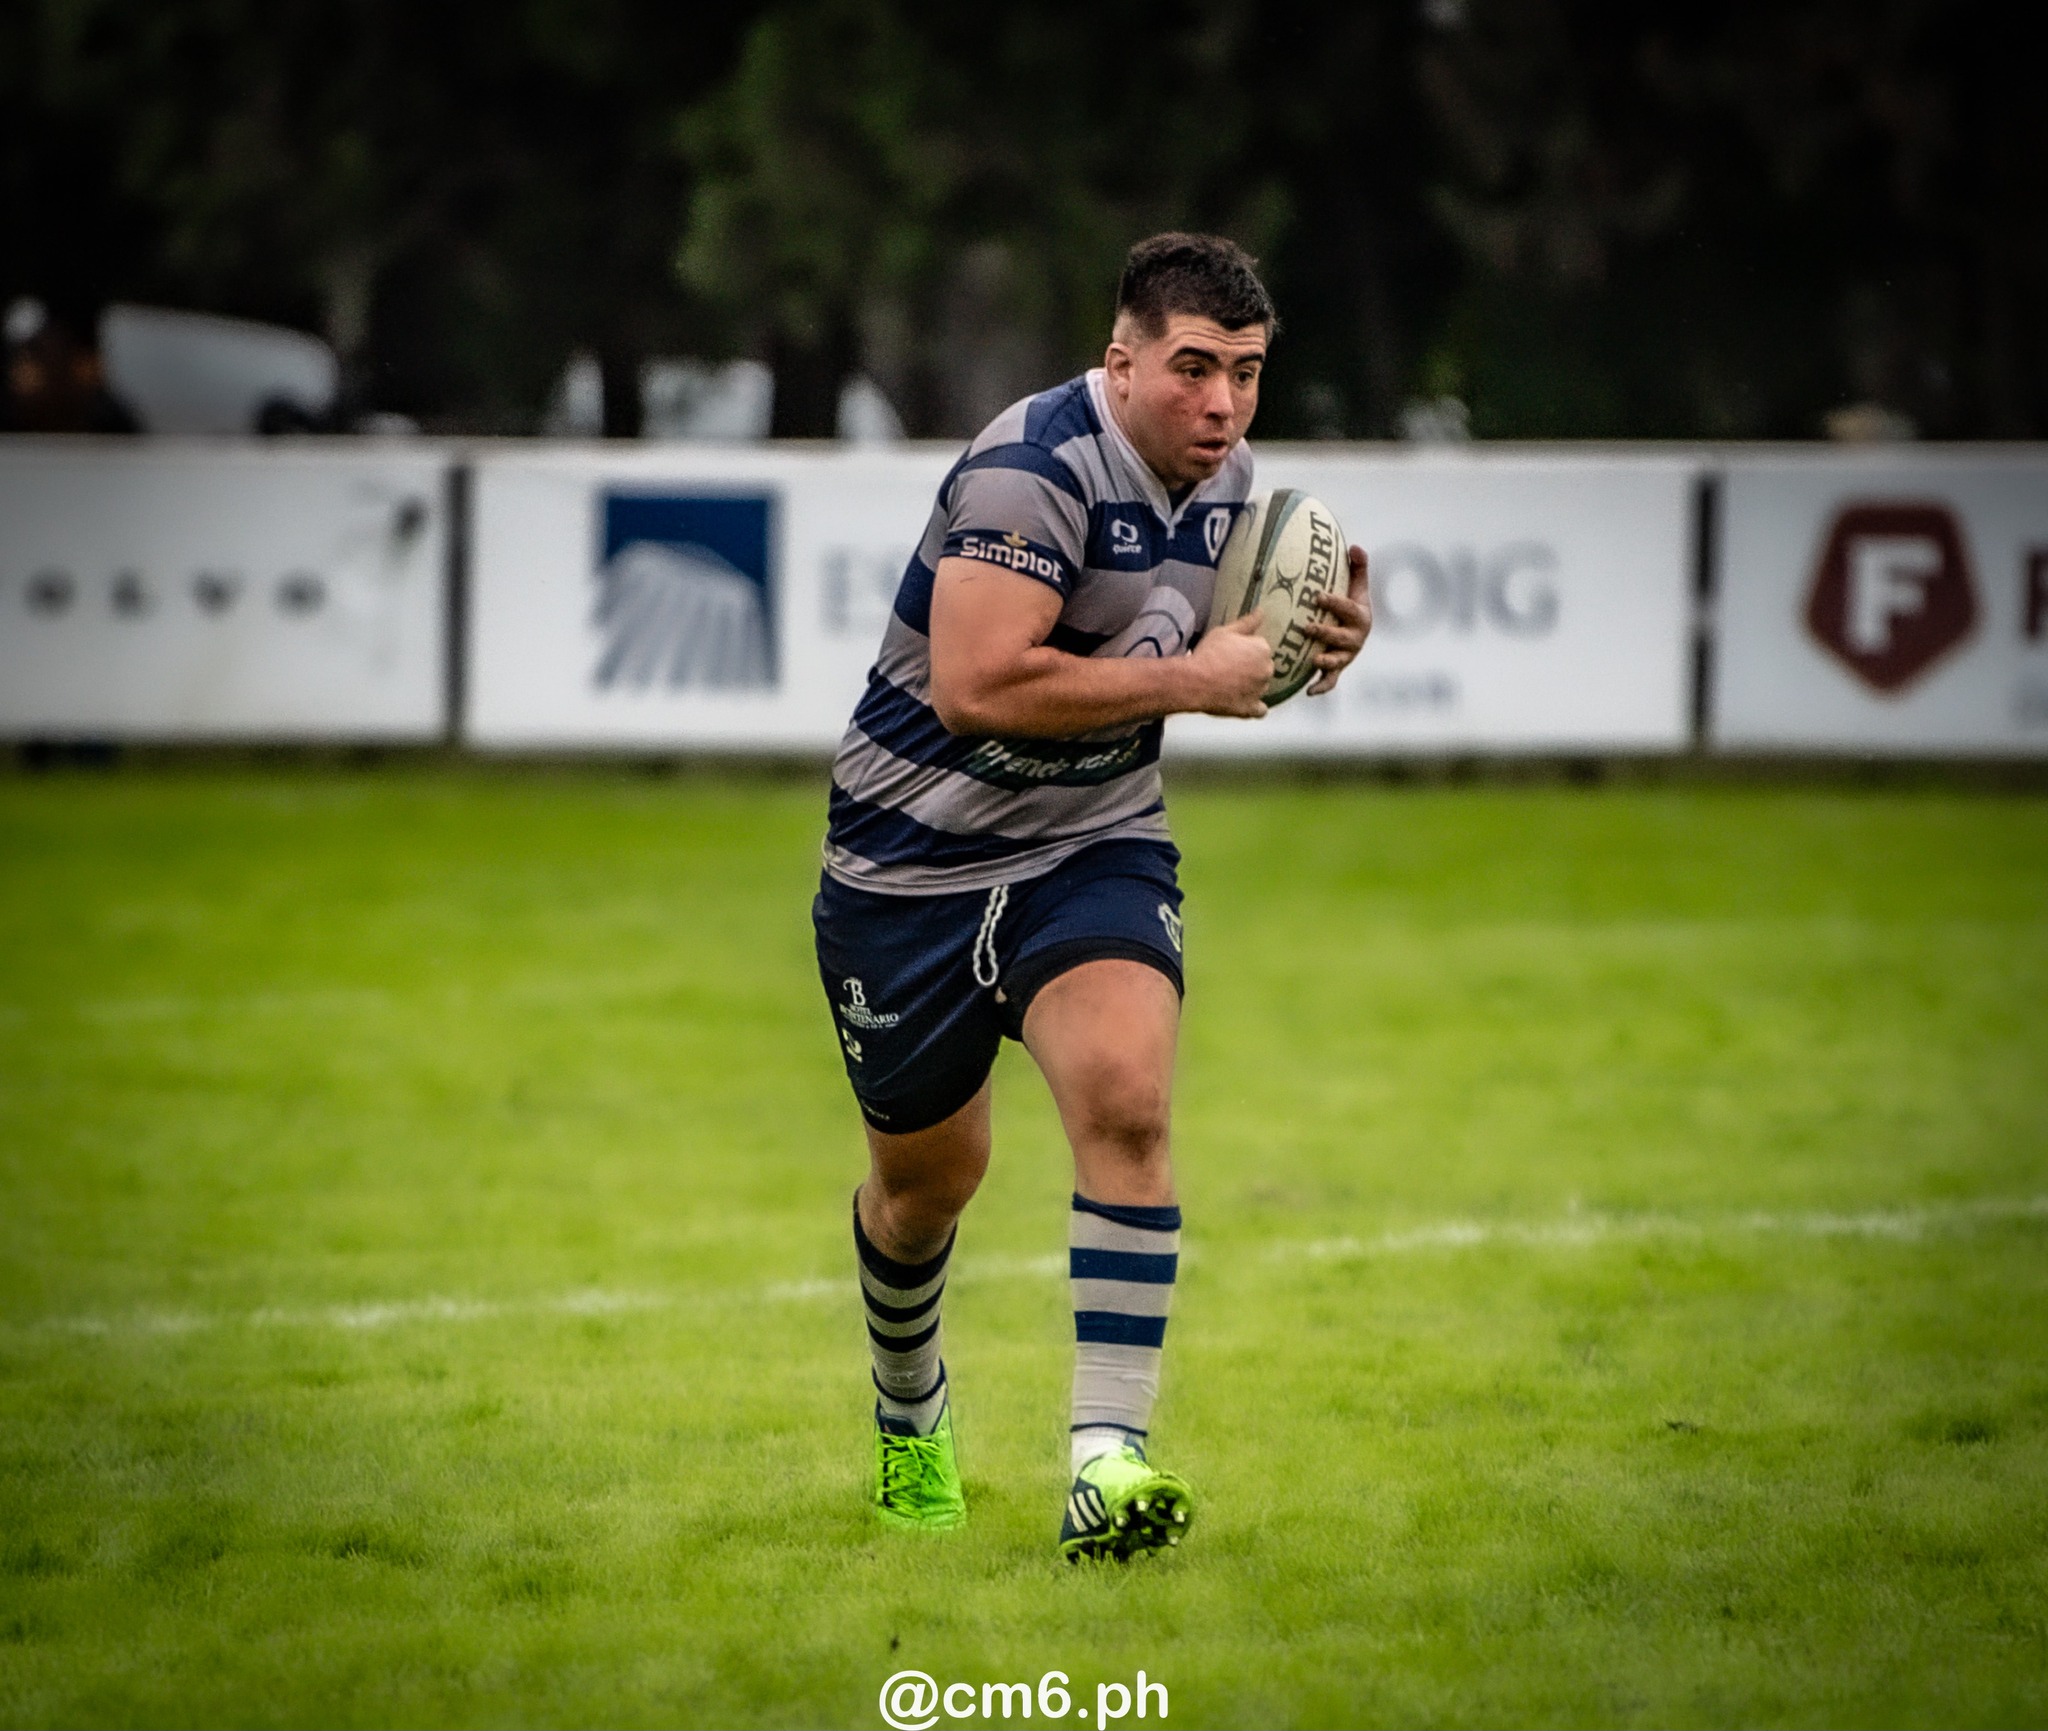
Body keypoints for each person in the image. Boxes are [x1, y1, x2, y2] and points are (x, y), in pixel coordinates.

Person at [812, 232, 1372, 1560]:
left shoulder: (1236, 488)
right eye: (1191, 369)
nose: (1222, 405)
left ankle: (1105, 1463)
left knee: (1126, 1099)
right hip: (907, 869)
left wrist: (1325, 642)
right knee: (926, 1186)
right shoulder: (1030, 475)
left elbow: (1255, 643)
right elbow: (979, 686)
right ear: (1120, 361)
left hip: (1092, 843)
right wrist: (1196, 681)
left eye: (1243, 373)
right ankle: (910, 1417)